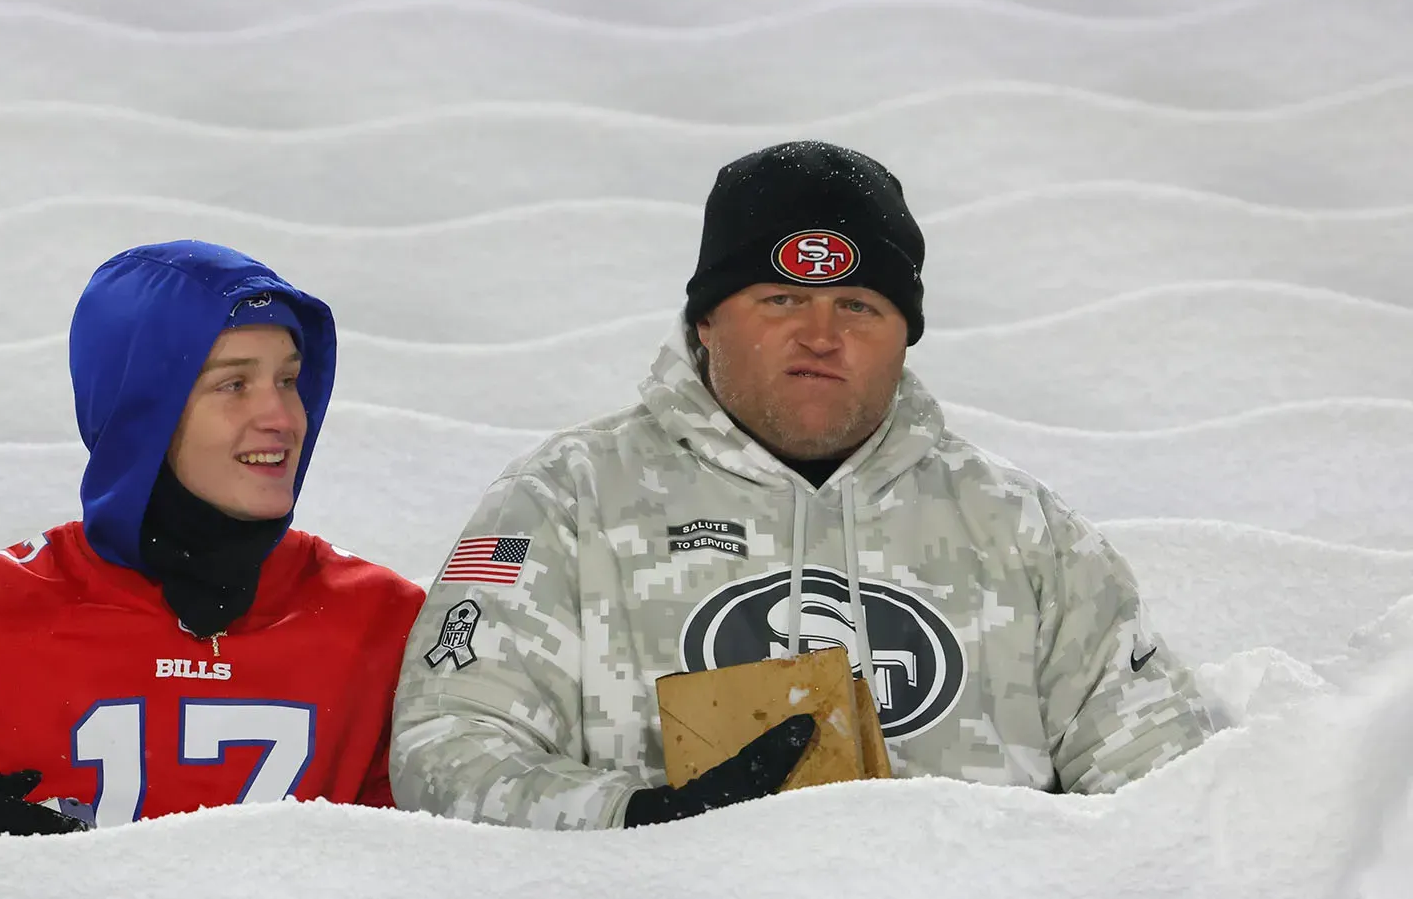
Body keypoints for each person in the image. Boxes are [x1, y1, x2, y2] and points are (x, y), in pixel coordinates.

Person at [389, 140, 1214, 830]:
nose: (821, 335)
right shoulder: (565, 500)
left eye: (858, 306)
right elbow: (448, 747)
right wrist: (637, 820)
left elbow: (1169, 787)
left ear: (905, 337)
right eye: (781, 298)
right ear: (706, 321)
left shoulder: (1021, 529)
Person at [0, 241, 425, 835]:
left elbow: (472, 865)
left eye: (290, 380)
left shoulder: (388, 627)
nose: (282, 415)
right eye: (234, 385)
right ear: (141, 414)